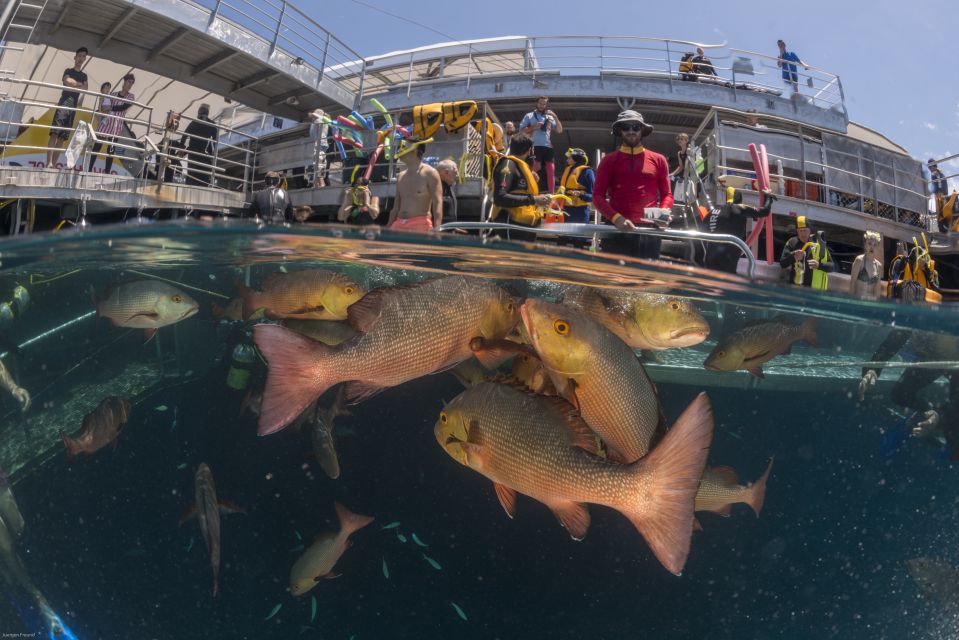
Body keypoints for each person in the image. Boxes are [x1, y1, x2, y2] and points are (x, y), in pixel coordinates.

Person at [593, 110, 673, 260]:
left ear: (642, 130)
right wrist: (616, 219)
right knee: (614, 280)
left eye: (635, 127)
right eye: (626, 127)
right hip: (616, 229)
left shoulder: (659, 159)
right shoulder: (608, 160)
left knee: (645, 281)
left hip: (649, 230)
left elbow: (667, 194)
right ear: (619, 131)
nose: (631, 131)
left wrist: (663, 214)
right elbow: (597, 196)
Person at [490, 133, 552, 241]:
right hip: (511, 226)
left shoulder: (524, 169)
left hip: (525, 226)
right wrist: (534, 200)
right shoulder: (508, 164)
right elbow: (500, 197)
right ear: (528, 150)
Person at [704, 183, 775, 274]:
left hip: (709, 263)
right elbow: (764, 212)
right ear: (739, 199)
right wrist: (768, 197)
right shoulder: (739, 208)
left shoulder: (712, 212)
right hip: (728, 265)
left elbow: (702, 229)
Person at [46, 47, 89, 169]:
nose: (81, 58)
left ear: (85, 59)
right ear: (75, 57)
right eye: (79, 55)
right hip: (64, 103)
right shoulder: (68, 70)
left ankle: (53, 164)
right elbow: (67, 81)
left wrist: (75, 84)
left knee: (62, 137)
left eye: (83, 57)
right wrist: (78, 84)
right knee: (54, 133)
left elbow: (85, 89)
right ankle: (48, 163)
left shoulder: (84, 75)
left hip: (73, 108)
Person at [388, 137, 442, 231]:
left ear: (414, 150)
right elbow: (395, 208)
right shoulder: (400, 176)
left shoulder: (430, 173)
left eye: (404, 147)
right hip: (398, 224)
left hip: (420, 224)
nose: (400, 149)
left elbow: (438, 203)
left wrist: (437, 229)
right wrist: (388, 227)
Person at [88, 74, 135, 175]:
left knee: (110, 151)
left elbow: (123, 107)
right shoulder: (113, 94)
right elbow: (104, 107)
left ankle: (107, 173)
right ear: (124, 81)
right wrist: (107, 108)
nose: (130, 84)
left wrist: (110, 108)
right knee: (97, 147)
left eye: (132, 83)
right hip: (105, 124)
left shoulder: (131, 97)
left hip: (116, 126)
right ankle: (89, 169)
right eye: (129, 81)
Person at [519, 97, 563, 193]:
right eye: (540, 103)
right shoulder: (529, 115)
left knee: (551, 170)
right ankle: (531, 191)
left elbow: (559, 130)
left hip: (548, 146)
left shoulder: (550, 117)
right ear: (537, 103)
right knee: (534, 169)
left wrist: (555, 116)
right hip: (535, 145)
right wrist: (534, 127)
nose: (542, 106)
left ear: (546, 105)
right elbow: (521, 131)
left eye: (544, 104)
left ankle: (551, 194)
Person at [779, 215, 833, 289]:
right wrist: (793, 256)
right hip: (795, 288)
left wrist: (819, 265)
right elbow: (782, 263)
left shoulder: (818, 244)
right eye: (800, 231)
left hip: (813, 290)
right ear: (797, 231)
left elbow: (832, 266)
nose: (803, 233)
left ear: (810, 230)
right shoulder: (792, 242)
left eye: (805, 230)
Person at [179, 103, 218, 187]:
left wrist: (181, 148)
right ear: (207, 113)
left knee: (192, 176)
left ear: (199, 112)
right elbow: (215, 141)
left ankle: (191, 186)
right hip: (203, 154)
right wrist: (212, 154)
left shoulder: (194, 122)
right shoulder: (212, 124)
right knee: (202, 176)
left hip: (193, 153)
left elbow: (184, 136)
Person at [557, 148, 594, 224]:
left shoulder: (587, 172)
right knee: (564, 235)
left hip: (580, 211)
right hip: (565, 209)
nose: (567, 160)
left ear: (576, 159)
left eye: (569, 158)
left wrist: (581, 194)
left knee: (578, 236)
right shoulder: (568, 170)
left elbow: (593, 195)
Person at [849, 230, 884, 299]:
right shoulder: (859, 260)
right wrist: (851, 302)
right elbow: (852, 283)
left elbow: (877, 290)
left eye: (875, 245)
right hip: (858, 301)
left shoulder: (878, 266)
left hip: (870, 304)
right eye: (869, 243)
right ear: (865, 245)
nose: (872, 247)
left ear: (877, 248)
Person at [308, 109, 329, 187]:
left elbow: (320, 124)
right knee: (318, 165)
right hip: (320, 144)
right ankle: (317, 184)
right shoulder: (322, 120)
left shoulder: (319, 120)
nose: (312, 117)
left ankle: (321, 184)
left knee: (318, 165)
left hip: (319, 144)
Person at [436, 158, 458, 224]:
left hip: (448, 229)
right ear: (446, 172)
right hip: (439, 230)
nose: (457, 175)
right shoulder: (435, 188)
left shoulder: (449, 187)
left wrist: (454, 227)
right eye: (455, 172)